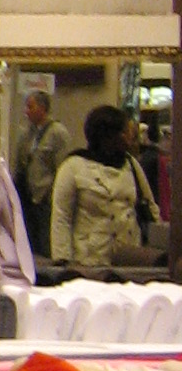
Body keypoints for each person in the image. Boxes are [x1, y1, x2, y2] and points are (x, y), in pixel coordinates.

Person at [51, 105, 154, 269]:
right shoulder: (73, 166)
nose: (129, 137)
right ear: (109, 136)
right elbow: (61, 217)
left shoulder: (131, 164)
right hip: (89, 261)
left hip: (128, 258)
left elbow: (149, 205)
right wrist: (62, 260)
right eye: (124, 132)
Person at [14, 87, 72, 245]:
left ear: (42, 108)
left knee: (45, 241)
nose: (26, 112)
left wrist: (52, 194)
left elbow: (62, 168)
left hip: (45, 198)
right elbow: (21, 162)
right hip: (28, 196)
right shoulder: (27, 134)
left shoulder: (58, 133)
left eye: (30, 107)